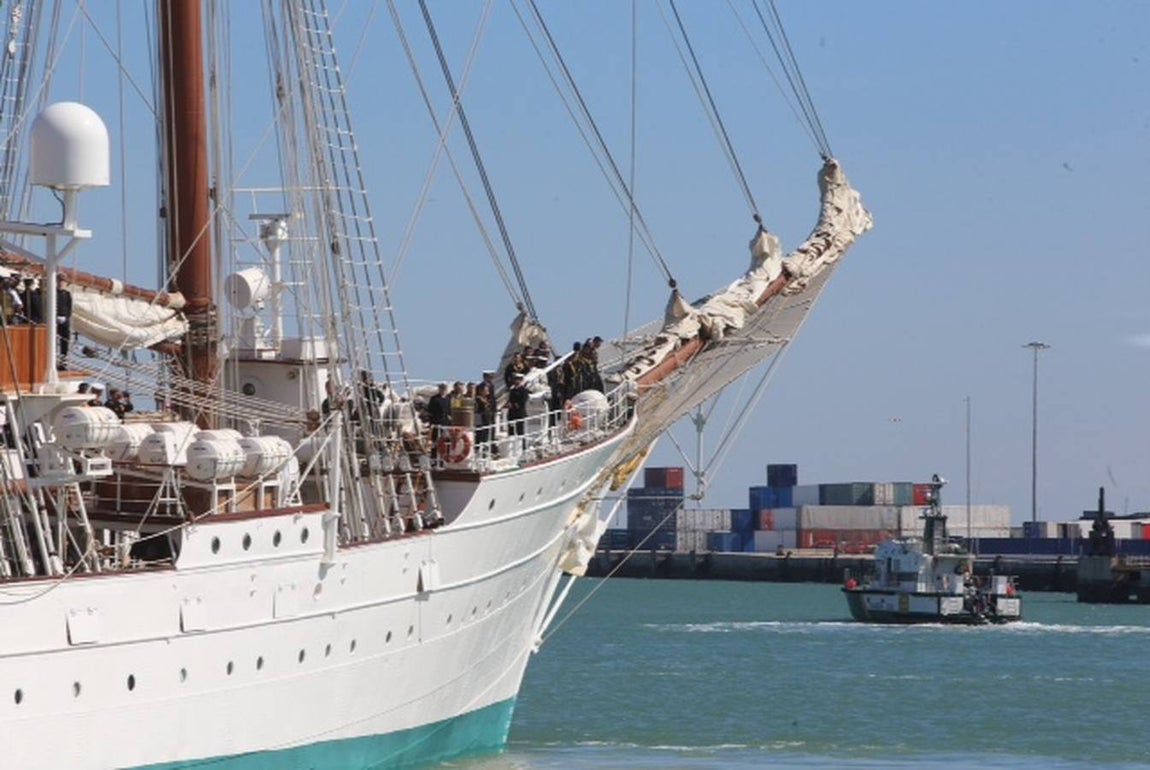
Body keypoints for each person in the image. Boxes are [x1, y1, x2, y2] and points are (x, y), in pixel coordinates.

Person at [426, 382, 451, 456]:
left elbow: (450, 410)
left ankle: (446, 456)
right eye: (441, 388)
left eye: (444, 388)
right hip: (436, 423)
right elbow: (430, 411)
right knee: (435, 441)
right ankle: (434, 457)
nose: (443, 390)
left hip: (446, 423)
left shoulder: (448, 399)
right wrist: (431, 422)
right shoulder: (434, 399)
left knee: (447, 441)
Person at [506, 373, 529, 439]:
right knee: (511, 429)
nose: (516, 381)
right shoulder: (512, 390)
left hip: (519, 412)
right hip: (512, 413)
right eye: (515, 379)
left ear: (521, 380)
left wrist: (514, 405)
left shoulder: (523, 390)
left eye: (517, 379)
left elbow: (523, 402)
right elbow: (510, 399)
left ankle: (521, 443)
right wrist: (509, 404)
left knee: (520, 430)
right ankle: (511, 442)